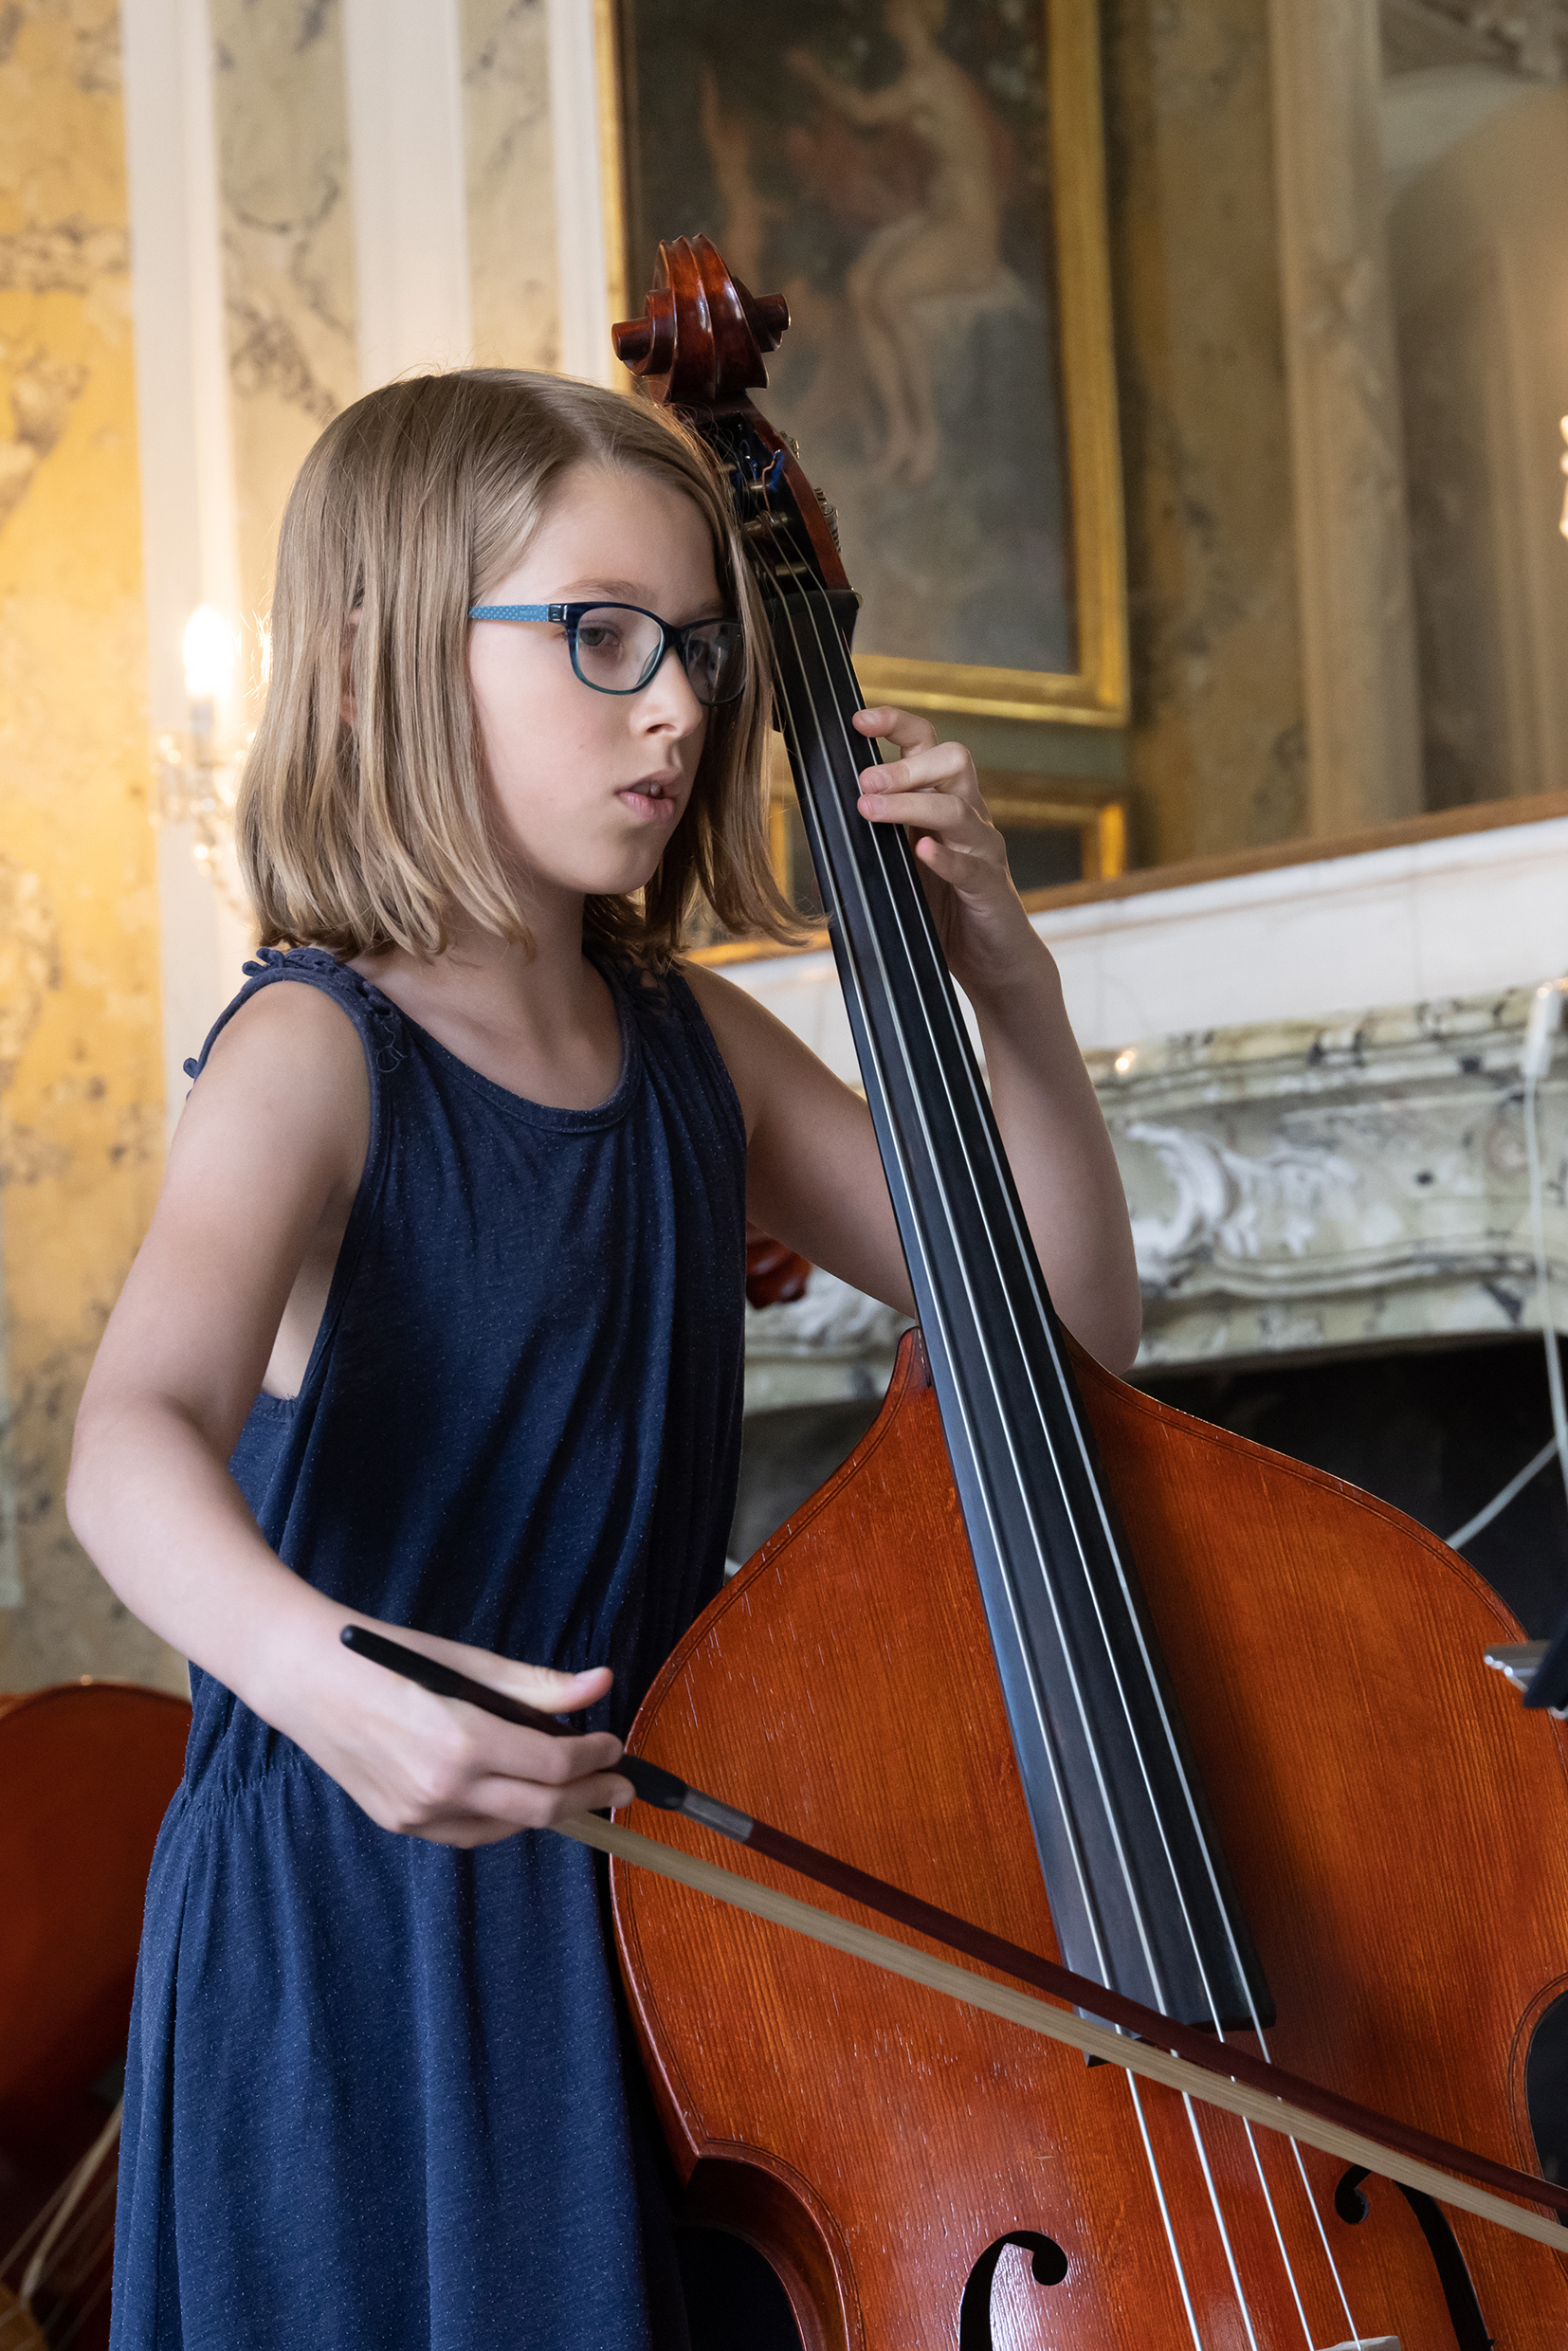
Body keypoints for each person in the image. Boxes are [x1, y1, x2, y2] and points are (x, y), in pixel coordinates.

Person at [66, 369, 1140, 2351]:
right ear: (386, 657)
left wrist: (1012, 983)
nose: (676, 708)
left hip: (648, 1912)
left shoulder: (690, 1045)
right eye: (599, 635)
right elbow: (128, 1440)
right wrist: (325, 1680)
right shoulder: (314, 1052)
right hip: (365, 1908)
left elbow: (1056, 1333)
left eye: (699, 650)